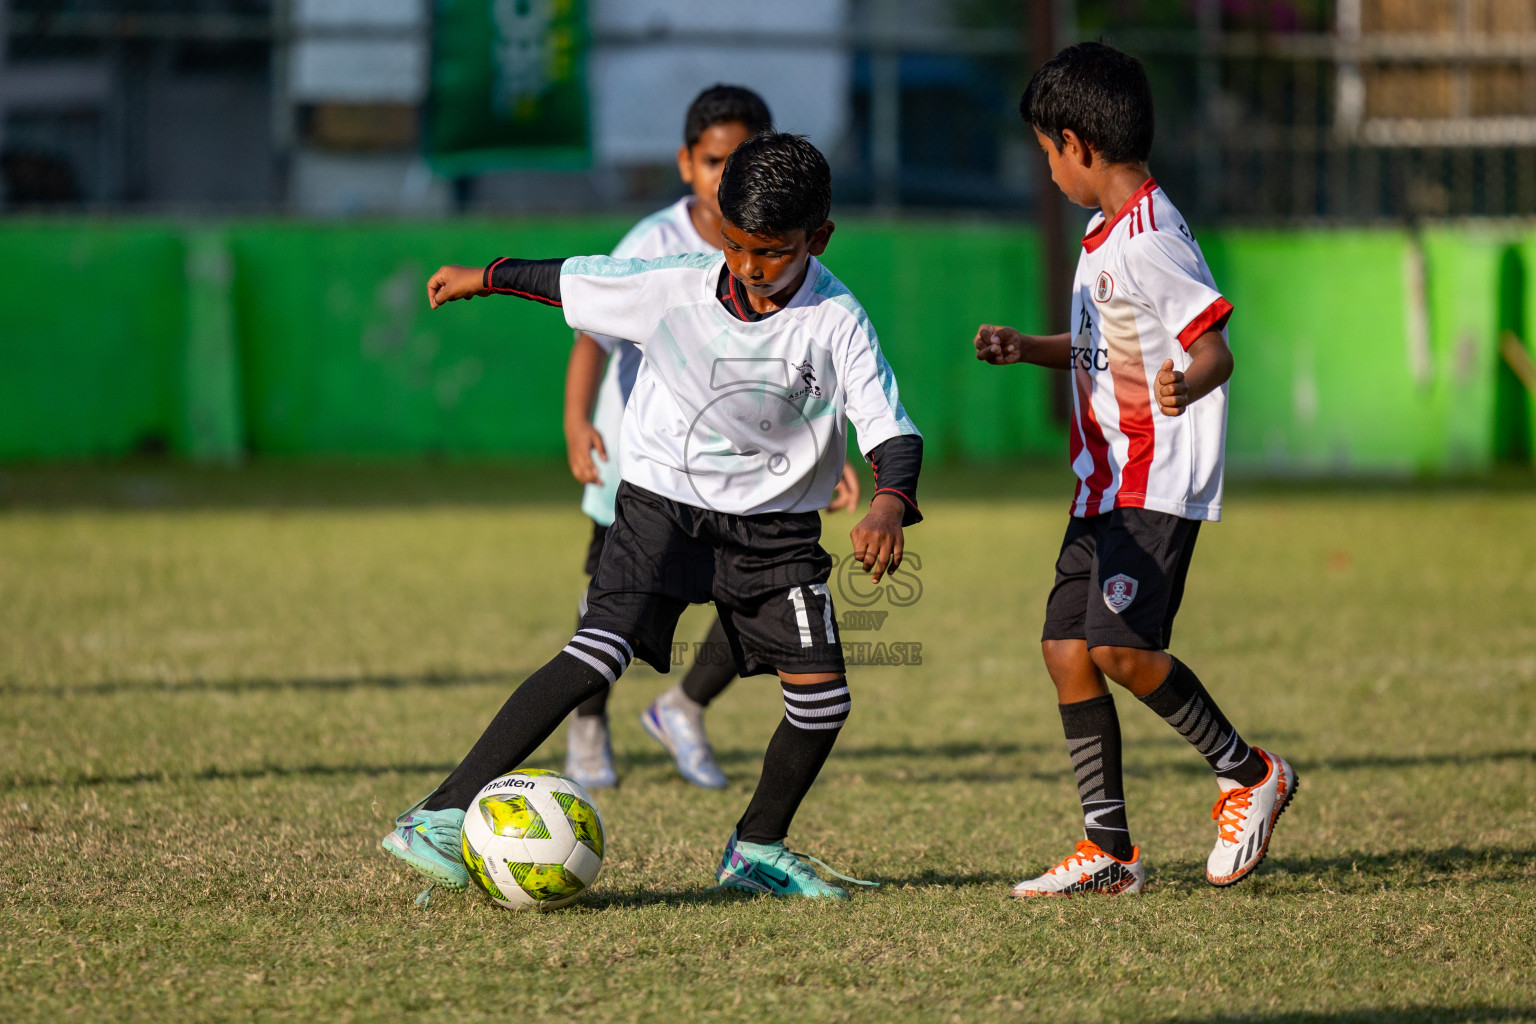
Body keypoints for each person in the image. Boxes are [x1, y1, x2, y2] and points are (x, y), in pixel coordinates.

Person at [385, 132, 924, 900]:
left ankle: (757, 849)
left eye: (772, 252)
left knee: (823, 700)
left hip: (774, 529)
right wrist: (486, 278)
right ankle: (438, 813)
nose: (749, 267)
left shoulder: (837, 318)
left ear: (820, 238)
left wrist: (889, 503)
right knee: (597, 653)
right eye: (735, 245)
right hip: (662, 504)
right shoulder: (676, 284)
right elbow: (573, 279)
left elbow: (891, 429)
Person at [974, 42, 1295, 895]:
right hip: (1104, 483)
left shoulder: (1151, 238)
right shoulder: (1104, 232)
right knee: (1065, 649)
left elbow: (1215, 346)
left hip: (1154, 481)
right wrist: (1029, 347)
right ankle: (1109, 851)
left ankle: (1250, 772)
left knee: (1119, 649)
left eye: (1047, 154)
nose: (1048, 171)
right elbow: (1100, 345)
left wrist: (1188, 383)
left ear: (1078, 145)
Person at [560, 84, 861, 792]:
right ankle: (588, 724)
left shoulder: (789, 260)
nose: (725, 175)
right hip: (645, 464)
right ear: (686, 163)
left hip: (745, 472)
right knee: (611, 606)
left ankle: (684, 708)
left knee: (753, 594)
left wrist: (829, 456)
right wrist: (577, 421)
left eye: (739, 160)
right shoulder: (658, 242)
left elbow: (810, 369)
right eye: (713, 161)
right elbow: (594, 331)